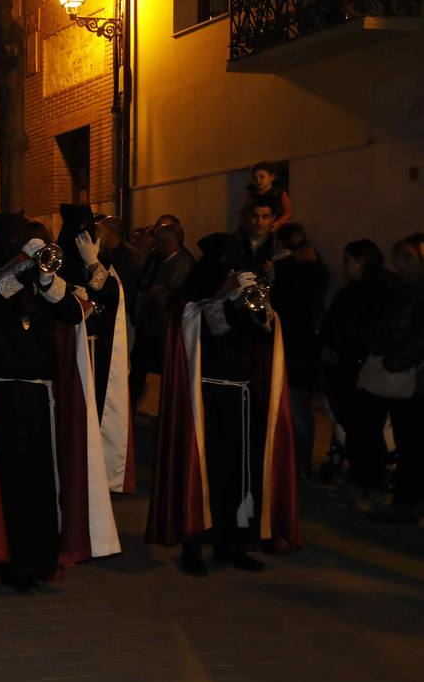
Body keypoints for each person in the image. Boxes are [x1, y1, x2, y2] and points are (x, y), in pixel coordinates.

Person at [0, 219, 120, 595]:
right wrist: (21, 268)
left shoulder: (46, 284)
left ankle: (27, 563)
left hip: (37, 400)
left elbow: (72, 313)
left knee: (34, 485)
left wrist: (45, 279)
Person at [146, 233, 300, 575]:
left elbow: (265, 331)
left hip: (242, 397)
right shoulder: (194, 304)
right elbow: (209, 324)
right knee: (206, 471)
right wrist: (229, 300)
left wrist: (258, 306)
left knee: (238, 472)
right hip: (207, 398)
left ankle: (230, 541)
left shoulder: (242, 294)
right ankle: (193, 544)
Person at [57, 206, 134, 494]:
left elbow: (113, 295)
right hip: (70, 356)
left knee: (95, 413)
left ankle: (92, 474)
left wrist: (93, 265)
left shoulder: (102, 265)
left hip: (96, 355)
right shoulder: (60, 264)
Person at [320, 239, 392, 500]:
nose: (344, 266)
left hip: (358, 370)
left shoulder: (370, 294)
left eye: (347, 260)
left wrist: (340, 352)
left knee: (366, 431)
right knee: (359, 430)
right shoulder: (359, 292)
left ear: (359, 262)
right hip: (349, 368)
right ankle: (362, 479)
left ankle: (368, 482)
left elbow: (362, 332)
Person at [363, 235, 424, 523]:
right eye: (398, 257)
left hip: (412, 377)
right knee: (404, 439)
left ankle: (407, 501)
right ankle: (405, 498)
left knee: (412, 442)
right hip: (397, 374)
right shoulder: (398, 289)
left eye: (407, 258)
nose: (400, 265)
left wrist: (398, 361)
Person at [270, 223, 328, 479]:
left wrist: (279, 270)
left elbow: (288, 307)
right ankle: (298, 460)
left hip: (295, 347)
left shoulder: (293, 273)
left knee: (297, 407)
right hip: (300, 346)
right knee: (297, 406)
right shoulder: (313, 272)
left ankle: (300, 461)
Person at [130, 221, 194, 408]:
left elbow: (173, 294)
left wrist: (158, 293)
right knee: (138, 368)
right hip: (149, 327)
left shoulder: (182, 263)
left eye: (157, 244)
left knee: (166, 373)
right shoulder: (157, 260)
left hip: (163, 329)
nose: (154, 248)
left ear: (167, 244)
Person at [240, 161, 293, 231]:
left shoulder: (280, 194)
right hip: (255, 229)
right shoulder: (251, 195)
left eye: (262, 177)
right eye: (255, 178)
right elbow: (244, 212)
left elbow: (288, 212)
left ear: (272, 177)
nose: (258, 181)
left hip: (274, 228)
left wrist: (278, 223)